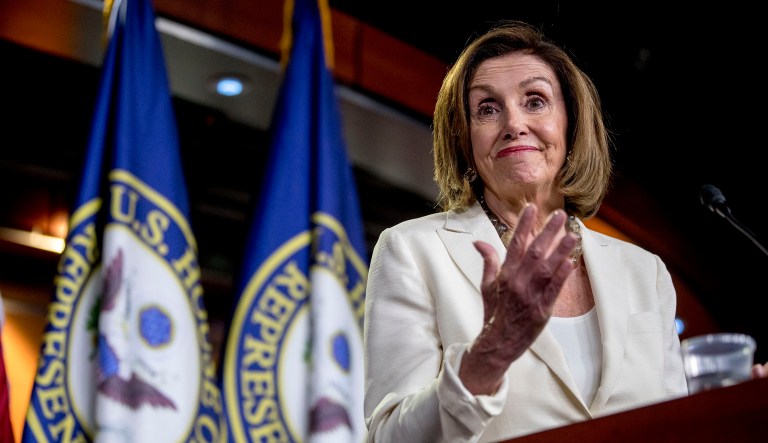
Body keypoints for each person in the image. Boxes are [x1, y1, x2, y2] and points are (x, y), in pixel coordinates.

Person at [362, 20, 768, 442]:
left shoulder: (645, 272)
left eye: (535, 101)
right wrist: (489, 355)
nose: (513, 123)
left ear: (570, 124)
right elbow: (390, 437)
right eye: (486, 108)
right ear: (464, 139)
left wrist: (735, 412)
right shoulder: (412, 251)